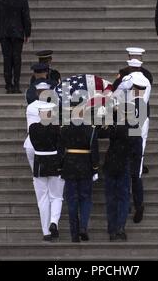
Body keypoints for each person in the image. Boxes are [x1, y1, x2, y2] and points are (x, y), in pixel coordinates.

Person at [114, 68, 151, 224]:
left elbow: (123, 126)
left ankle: (126, 204)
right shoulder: (143, 107)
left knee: (124, 176)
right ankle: (138, 203)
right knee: (136, 177)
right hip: (138, 146)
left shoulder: (127, 106)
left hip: (126, 145)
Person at [60, 103, 100, 243]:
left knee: (72, 201)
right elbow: (94, 150)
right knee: (85, 199)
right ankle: (83, 227)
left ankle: (74, 234)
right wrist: (95, 168)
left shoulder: (65, 129)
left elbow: (60, 150)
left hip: (70, 166)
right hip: (85, 166)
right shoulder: (91, 129)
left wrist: (60, 168)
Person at [103, 103, 142, 241]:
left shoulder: (114, 126)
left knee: (111, 199)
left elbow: (103, 130)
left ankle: (112, 229)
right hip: (124, 163)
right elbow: (137, 147)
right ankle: (120, 227)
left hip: (111, 163)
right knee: (123, 198)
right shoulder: (133, 127)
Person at [28, 102, 65, 242]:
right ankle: (54, 222)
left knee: (42, 199)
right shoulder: (57, 128)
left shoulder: (33, 128)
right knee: (56, 196)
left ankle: (46, 231)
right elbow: (61, 146)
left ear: (39, 114)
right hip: (54, 162)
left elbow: (33, 142)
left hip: (40, 164)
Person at [0, 0, 31, 94]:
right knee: (17, 59)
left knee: (7, 59)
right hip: (18, 33)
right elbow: (26, 17)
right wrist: (27, 33)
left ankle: (8, 85)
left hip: (4, 34)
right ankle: (17, 85)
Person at [24, 82, 53, 172]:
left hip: (31, 143)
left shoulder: (30, 107)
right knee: (51, 177)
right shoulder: (53, 106)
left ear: (36, 93)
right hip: (48, 144)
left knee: (37, 176)